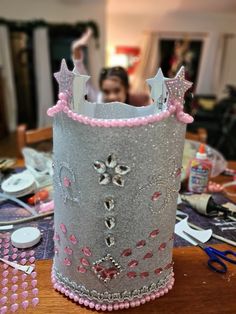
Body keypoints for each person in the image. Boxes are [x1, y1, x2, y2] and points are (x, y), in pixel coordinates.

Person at [72, 28, 145, 105]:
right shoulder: (98, 100)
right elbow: (81, 77)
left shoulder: (136, 109)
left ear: (126, 88)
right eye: (106, 92)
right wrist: (77, 48)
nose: (112, 97)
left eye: (117, 90)